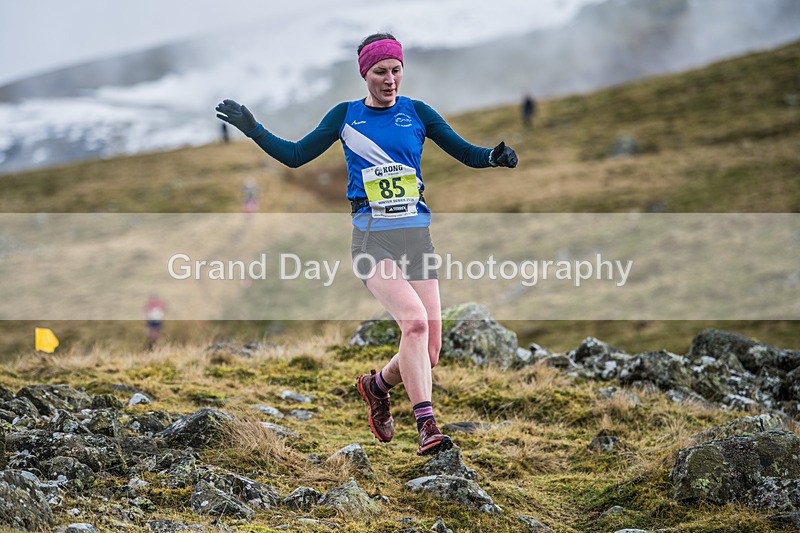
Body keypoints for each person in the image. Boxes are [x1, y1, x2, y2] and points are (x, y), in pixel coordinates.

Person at [216, 33, 518, 455]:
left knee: (429, 352)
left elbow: (466, 152)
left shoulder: (418, 112)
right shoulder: (346, 116)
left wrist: (493, 157)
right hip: (371, 241)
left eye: (396, 70)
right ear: (365, 74)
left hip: (417, 239)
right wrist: (255, 130)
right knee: (412, 322)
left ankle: (375, 387)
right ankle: (427, 425)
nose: (390, 79)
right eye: (380, 72)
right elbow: (296, 155)